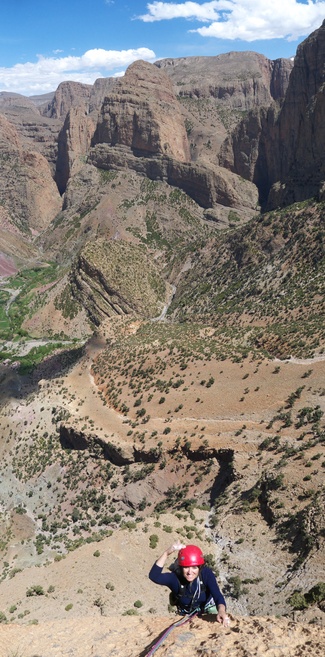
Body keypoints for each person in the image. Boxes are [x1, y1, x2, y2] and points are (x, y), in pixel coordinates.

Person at [149, 540, 229, 625]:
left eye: (194, 567)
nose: (190, 572)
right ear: (181, 568)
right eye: (186, 567)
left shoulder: (206, 574)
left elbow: (217, 595)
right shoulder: (175, 578)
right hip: (186, 612)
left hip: (207, 607)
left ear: (199, 568)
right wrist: (166, 553)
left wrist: (221, 611)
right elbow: (154, 576)